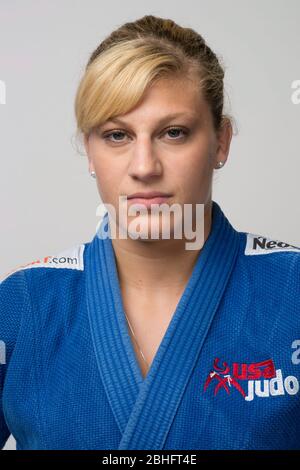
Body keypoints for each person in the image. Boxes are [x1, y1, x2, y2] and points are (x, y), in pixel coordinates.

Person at [1, 14, 300, 451]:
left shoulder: (292, 292)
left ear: (221, 141)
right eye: (117, 135)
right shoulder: (24, 304)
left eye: (173, 133)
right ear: (90, 151)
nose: (144, 167)